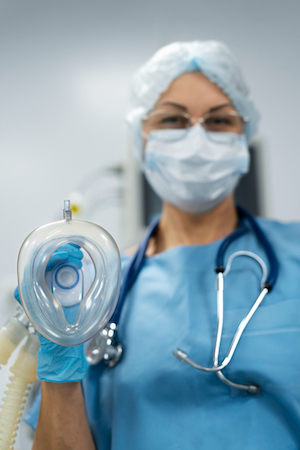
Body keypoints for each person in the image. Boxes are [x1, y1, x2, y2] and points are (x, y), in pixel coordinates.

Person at [23, 41, 300, 449]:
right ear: (141, 139)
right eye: (172, 120)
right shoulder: (95, 290)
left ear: (245, 136)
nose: (196, 138)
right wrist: (60, 361)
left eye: (219, 121)